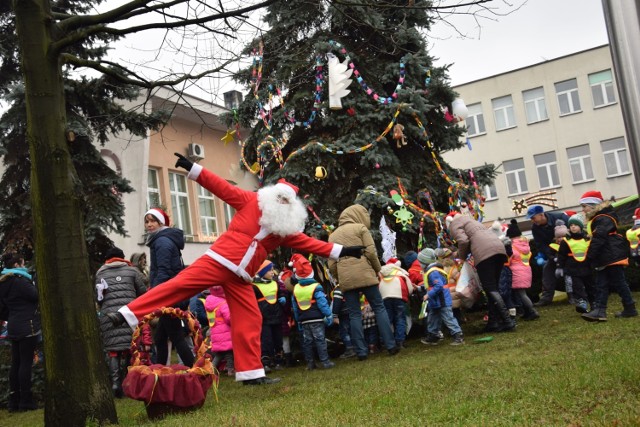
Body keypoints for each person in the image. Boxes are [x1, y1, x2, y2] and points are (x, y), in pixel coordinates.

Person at [109, 153, 364, 385]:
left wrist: (345, 251)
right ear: (271, 195)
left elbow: (312, 244)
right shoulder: (250, 201)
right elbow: (221, 187)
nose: (282, 202)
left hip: (241, 277)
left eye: (287, 201)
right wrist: (193, 168)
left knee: (251, 318)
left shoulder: (284, 230)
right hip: (220, 261)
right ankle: (127, 313)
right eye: (280, 197)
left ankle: (251, 374)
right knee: (178, 285)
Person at [328, 204, 399, 361]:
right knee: (379, 308)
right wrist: (377, 269)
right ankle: (390, 345)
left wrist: (340, 277)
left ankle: (361, 351)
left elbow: (331, 264)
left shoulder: (332, 236)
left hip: (346, 277)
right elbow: (371, 252)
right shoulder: (360, 228)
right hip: (366, 273)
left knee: (354, 314)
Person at [143, 207, 195, 368]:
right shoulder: (160, 239)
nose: (149, 224)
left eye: (153, 221)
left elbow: (164, 270)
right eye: (147, 221)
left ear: (161, 222)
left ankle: (194, 370)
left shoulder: (162, 241)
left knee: (176, 336)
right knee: (160, 337)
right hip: (171, 292)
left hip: (169, 293)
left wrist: (156, 294)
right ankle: (160, 369)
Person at [446, 212, 516, 332]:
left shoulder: (454, 224)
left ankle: (507, 321)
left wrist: (461, 257)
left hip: (484, 254)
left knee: (490, 288)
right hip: (499, 250)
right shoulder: (472, 221)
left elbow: (463, 241)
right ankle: (493, 323)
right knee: (493, 288)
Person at [95, 246, 147, 397]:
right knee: (130, 348)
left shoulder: (100, 272)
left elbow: (98, 296)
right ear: (122, 257)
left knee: (113, 351)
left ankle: (115, 384)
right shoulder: (132, 271)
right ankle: (129, 383)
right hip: (129, 314)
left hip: (108, 315)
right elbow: (143, 292)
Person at [578, 191, 637, 321]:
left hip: (610, 255)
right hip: (609, 255)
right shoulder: (602, 217)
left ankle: (606, 310)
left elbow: (599, 239)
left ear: (593, 205)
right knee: (606, 283)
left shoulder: (602, 218)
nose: (583, 209)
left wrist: (589, 257)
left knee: (612, 283)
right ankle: (622, 308)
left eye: (584, 206)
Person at [0, 253, 41, 411]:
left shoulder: (4, 282)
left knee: (15, 363)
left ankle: (13, 401)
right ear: (17, 264)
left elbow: (2, 308)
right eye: (23, 263)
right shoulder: (20, 281)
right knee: (25, 363)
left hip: (14, 325)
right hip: (27, 326)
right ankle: (25, 401)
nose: (25, 266)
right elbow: (36, 295)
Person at [289, 254, 335, 370]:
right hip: (316, 319)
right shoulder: (316, 287)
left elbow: (295, 306)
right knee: (320, 340)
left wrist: (298, 319)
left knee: (307, 342)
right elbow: (322, 303)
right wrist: (328, 314)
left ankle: (310, 363)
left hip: (304, 320)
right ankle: (325, 362)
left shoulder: (296, 289)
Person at [419, 248, 464, 345]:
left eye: (420, 262)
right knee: (432, 319)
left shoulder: (433, 272)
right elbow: (430, 286)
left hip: (442, 300)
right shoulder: (430, 271)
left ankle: (458, 336)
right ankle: (433, 336)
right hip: (435, 301)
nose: (419, 264)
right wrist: (420, 288)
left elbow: (438, 286)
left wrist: (428, 295)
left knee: (448, 318)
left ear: (425, 262)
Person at [527, 205, 569, 306]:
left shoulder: (561, 217)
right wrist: (552, 257)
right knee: (547, 270)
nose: (532, 221)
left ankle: (576, 294)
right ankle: (546, 297)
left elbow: (574, 232)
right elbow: (540, 245)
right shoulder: (535, 228)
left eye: (533, 218)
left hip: (570, 251)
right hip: (553, 254)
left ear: (541, 215)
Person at [252, 260, 286, 371]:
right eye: (270, 270)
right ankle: (266, 362)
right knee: (266, 340)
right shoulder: (254, 286)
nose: (273, 272)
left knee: (278, 339)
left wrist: (282, 297)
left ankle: (279, 361)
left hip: (277, 315)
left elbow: (280, 293)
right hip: (264, 317)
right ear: (262, 272)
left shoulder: (275, 283)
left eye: (273, 270)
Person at [556, 214, 593, 313]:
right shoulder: (565, 241)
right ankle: (582, 303)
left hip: (587, 267)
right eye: (571, 225)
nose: (573, 226)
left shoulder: (587, 239)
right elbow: (561, 255)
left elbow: (592, 252)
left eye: (575, 225)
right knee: (577, 287)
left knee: (591, 286)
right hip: (573, 269)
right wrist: (559, 267)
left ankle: (594, 304)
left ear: (580, 226)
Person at [505, 220, 539, 321]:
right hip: (526, 270)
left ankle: (532, 311)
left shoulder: (512, 247)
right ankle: (527, 312)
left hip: (517, 272)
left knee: (521, 294)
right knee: (522, 293)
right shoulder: (525, 245)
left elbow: (509, 260)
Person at [378, 257, 413, 349]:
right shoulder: (400, 272)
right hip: (399, 296)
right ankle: (400, 341)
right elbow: (410, 288)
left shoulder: (382, 273)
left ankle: (386, 342)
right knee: (400, 318)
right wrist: (408, 295)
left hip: (385, 297)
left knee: (387, 319)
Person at [204, 286, 234, 376]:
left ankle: (211, 369)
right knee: (229, 352)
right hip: (225, 331)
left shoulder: (209, 302)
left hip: (215, 331)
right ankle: (231, 370)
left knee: (220, 353)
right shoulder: (223, 303)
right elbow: (229, 318)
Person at [331, 283, 355, 359]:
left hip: (343, 313)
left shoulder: (338, 289)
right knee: (352, 330)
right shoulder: (351, 286)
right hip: (353, 311)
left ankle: (349, 348)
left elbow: (337, 303)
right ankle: (356, 347)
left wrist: (334, 315)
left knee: (344, 332)